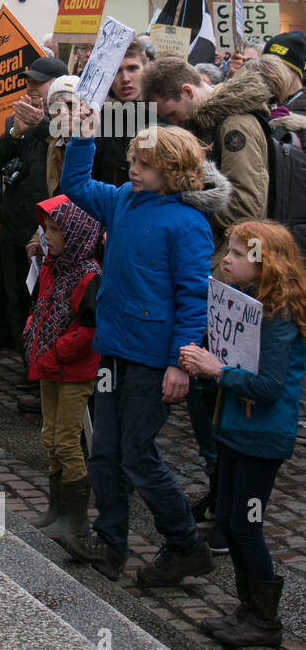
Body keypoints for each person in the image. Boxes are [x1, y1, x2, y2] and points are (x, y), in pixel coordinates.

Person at [58, 121, 231, 585]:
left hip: (154, 358)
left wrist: (180, 362)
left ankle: (185, 544)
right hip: (116, 348)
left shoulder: (189, 224)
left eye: (143, 163)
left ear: (171, 170)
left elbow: (194, 297)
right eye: (133, 159)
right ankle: (110, 542)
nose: (132, 168)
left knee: (137, 454)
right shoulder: (122, 201)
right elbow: (73, 184)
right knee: (104, 452)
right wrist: (82, 137)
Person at [179, 221, 306, 648]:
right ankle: (248, 608)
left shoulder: (278, 317)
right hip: (236, 430)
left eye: (236, 253)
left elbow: (269, 388)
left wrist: (218, 370)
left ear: (263, 263)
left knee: (247, 524)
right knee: (232, 523)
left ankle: (264, 621)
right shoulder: (250, 304)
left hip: (261, 437)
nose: (226, 260)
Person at [141, 57, 270, 272]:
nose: (174, 123)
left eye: (172, 113)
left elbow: (245, 208)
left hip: (230, 261)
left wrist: (184, 204)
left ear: (187, 91)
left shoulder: (234, 126)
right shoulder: (209, 124)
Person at [23, 193, 101, 539]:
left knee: (68, 440)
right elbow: (40, 308)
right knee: (50, 436)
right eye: (47, 229)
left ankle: (76, 517)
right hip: (48, 364)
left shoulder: (88, 275)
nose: (47, 236)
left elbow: (89, 330)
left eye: (55, 230)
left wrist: (54, 353)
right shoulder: (54, 266)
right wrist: (31, 335)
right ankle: (56, 508)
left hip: (71, 370)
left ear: (76, 236)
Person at [0, 56, 66, 366]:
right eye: (28, 85)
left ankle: (46, 371)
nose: (31, 92)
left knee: (46, 302)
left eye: (38, 85)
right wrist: (15, 133)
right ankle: (29, 368)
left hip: (50, 229)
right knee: (17, 300)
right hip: (14, 226)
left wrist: (42, 124)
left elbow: (69, 149)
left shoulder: (69, 119)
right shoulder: (15, 122)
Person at [92, 37, 151, 187]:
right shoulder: (95, 120)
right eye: (116, 70)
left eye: (132, 68)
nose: (125, 78)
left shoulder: (164, 116)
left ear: (146, 69)